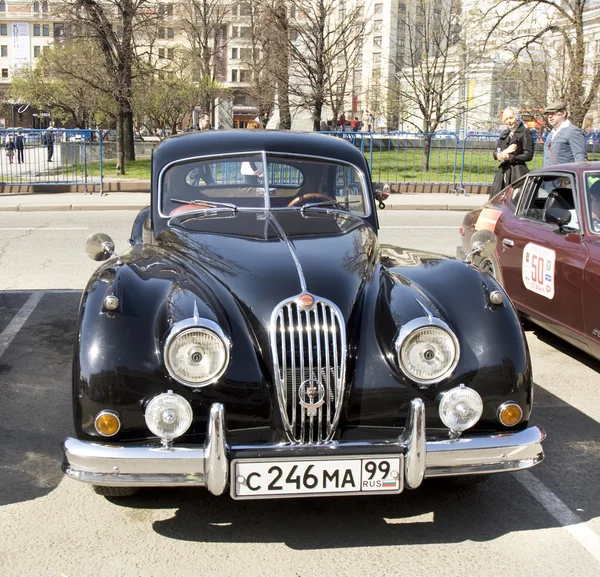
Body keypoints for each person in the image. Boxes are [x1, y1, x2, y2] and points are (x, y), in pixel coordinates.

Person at [489, 107, 534, 198]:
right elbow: (495, 153)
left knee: (515, 201)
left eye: (511, 118)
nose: (509, 121)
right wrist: (500, 154)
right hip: (503, 173)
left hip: (517, 173)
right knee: (498, 200)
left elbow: (528, 155)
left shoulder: (525, 132)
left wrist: (510, 157)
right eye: (506, 119)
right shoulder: (504, 134)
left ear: (517, 117)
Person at [542, 101, 587, 167]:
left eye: (553, 113)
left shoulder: (573, 131)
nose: (550, 116)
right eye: (548, 114)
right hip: (549, 175)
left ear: (563, 114)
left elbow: (580, 157)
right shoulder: (551, 133)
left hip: (565, 175)